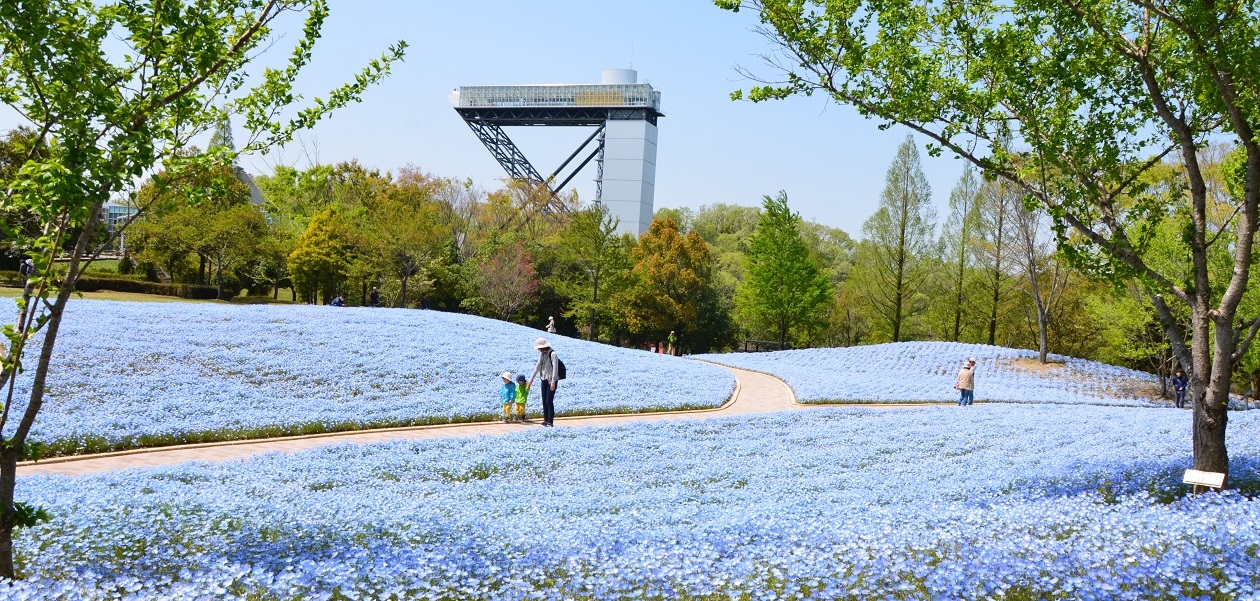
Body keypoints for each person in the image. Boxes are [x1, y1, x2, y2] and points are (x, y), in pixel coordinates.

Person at [529, 338, 560, 427]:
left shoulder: (553, 354)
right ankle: (545, 420)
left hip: (551, 380)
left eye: (539, 348)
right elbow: (537, 366)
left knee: (548, 401)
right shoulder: (542, 354)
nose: (539, 350)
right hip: (543, 379)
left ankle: (550, 422)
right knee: (544, 401)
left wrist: (553, 382)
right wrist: (531, 379)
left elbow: (555, 369)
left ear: (543, 347)